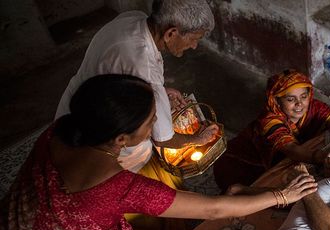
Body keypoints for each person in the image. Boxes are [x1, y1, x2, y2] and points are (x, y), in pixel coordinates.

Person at [0, 74, 318, 230]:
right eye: (152, 119)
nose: (157, 123)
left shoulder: (62, 129)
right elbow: (214, 208)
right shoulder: (118, 186)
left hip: (13, 224)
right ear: (122, 139)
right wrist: (281, 194)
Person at [55, 0, 219, 189]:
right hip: (99, 143)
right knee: (143, 191)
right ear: (171, 33)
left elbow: (121, 75)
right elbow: (164, 139)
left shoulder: (133, 19)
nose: (194, 46)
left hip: (79, 109)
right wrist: (197, 139)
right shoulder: (143, 67)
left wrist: (162, 93)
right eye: (194, 38)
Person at [214, 69, 330, 191]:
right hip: (245, 162)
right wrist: (322, 156)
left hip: (294, 154)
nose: (299, 104)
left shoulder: (314, 107)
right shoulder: (269, 121)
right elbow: (292, 150)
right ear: (276, 100)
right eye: (290, 99)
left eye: (304, 97)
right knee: (256, 192)